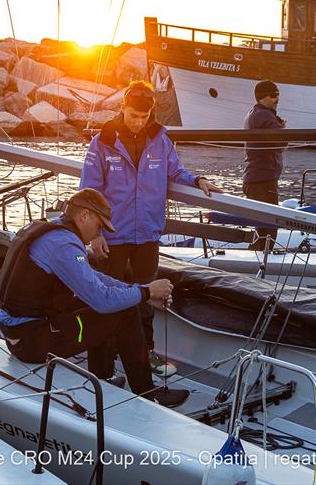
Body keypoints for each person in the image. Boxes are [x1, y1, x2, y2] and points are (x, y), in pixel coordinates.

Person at [0, 188, 189, 408]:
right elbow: (102, 300)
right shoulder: (64, 244)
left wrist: (141, 291)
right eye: (99, 226)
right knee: (123, 310)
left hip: (20, 333)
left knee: (110, 302)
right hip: (31, 342)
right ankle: (148, 393)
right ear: (84, 216)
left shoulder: (50, 231)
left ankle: (102, 379)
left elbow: (93, 278)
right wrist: (145, 293)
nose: (99, 233)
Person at [80, 80, 222, 377]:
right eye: (134, 115)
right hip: (112, 238)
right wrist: (95, 235)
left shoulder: (160, 138)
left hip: (147, 235)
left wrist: (197, 181)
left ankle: (145, 357)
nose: (139, 122)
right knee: (106, 300)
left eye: (144, 117)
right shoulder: (102, 141)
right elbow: (89, 193)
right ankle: (102, 368)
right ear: (123, 108)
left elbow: (176, 171)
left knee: (148, 298)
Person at [242, 80, 287, 251]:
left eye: (278, 95)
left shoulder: (256, 113)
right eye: (274, 95)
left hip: (257, 179)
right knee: (269, 229)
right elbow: (282, 141)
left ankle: (256, 257)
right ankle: (259, 261)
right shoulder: (265, 116)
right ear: (262, 97)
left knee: (263, 228)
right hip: (263, 180)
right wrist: (282, 127)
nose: (277, 99)